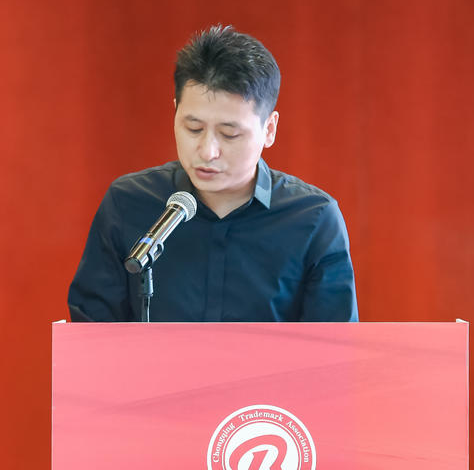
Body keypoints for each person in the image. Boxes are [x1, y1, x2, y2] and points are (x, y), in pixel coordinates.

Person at [67, 25, 357, 322]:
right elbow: (90, 333)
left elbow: (333, 346)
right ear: (175, 112)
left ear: (269, 129)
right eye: (193, 128)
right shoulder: (127, 204)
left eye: (229, 134)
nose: (207, 151)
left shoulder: (313, 219)